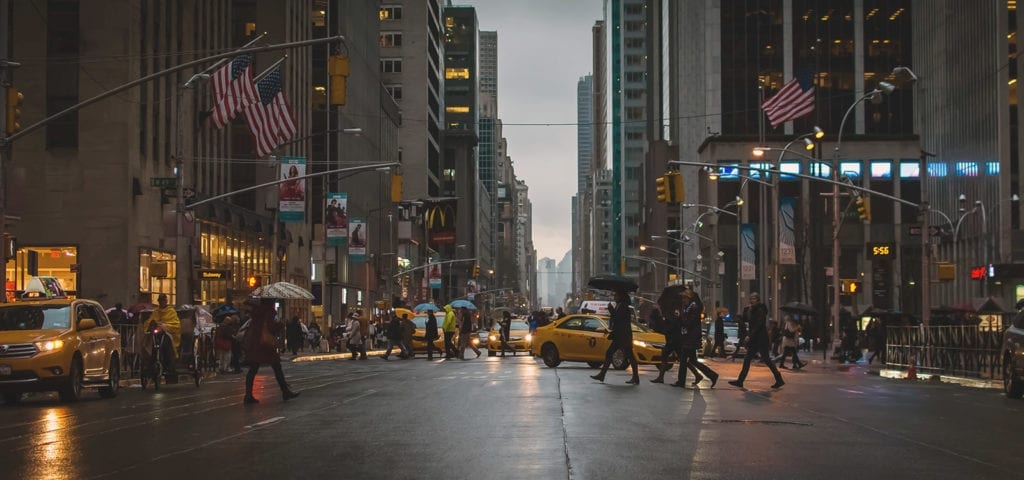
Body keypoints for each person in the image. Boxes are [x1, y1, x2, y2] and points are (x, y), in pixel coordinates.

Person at [241, 298, 299, 404]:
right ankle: (285, 391)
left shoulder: (256, 312)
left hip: (256, 343)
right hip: (266, 345)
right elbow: (270, 327)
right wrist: (281, 325)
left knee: (253, 368)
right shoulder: (269, 311)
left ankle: (248, 394)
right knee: (277, 367)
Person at [728, 292, 785, 389]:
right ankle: (740, 381)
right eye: (751, 299)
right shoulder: (750, 310)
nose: (752, 301)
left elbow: (759, 325)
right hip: (754, 339)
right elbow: (745, 319)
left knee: (766, 359)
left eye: (754, 299)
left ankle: (779, 379)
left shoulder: (761, 310)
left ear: (758, 300)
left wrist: (749, 335)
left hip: (760, 338)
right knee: (747, 359)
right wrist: (742, 315)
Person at [591, 289, 640, 385]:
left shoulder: (624, 306)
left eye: (616, 295)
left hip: (623, 336)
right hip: (619, 335)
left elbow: (618, 318)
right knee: (611, 353)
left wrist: (611, 310)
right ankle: (602, 374)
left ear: (621, 296)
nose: (614, 297)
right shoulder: (620, 305)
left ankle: (635, 377)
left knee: (629, 355)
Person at [671, 291, 719, 388]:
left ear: (689, 299)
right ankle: (712, 375)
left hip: (691, 338)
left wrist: (680, 317)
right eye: (682, 298)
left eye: (685, 298)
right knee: (692, 360)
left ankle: (681, 381)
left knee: (684, 359)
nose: (683, 300)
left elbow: (688, 323)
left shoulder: (693, 308)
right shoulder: (687, 309)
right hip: (688, 337)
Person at [149, 294, 182, 380]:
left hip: (169, 334)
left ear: (166, 301)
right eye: (160, 301)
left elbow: (176, 324)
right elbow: (150, 321)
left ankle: (169, 365)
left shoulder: (171, 311)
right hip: (157, 335)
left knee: (167, 342)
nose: (161, 302)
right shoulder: (156, 311)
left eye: (163, 301)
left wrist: (165, 326)